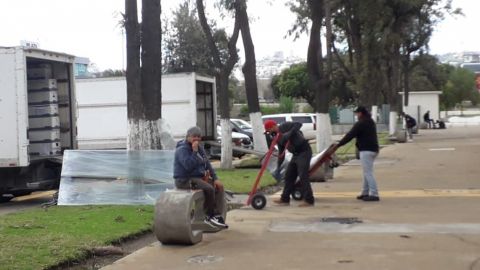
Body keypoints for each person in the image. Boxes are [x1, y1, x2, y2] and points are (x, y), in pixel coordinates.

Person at [173, 126, 228, 228]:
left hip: (198, 178)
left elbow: (208, 164)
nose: (197, 139)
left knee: (219, 187)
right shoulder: (182, 150)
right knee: (209, 189)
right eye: (194, 136)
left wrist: (215, 178)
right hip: (184, 180)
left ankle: (217, 214)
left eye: (199, 137)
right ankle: (209, 215)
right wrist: (194, 151)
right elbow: (188, 166)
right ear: (188, 137)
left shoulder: (200, 148)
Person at [264, 120, 315, 207]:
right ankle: (285, 199)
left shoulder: (285, 126)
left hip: (304, 152)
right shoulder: (278, 137)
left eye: (269, 130)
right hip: (295, 155)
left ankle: (309, 200)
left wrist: (288, 134)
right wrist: (278, 167)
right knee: (289, 176)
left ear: (273, 126)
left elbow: (299, 123)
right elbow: (281, 153)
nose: (269, 133)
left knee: (303, 175)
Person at [336, 106, 380, 201]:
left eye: (357, 113)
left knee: (368, 173)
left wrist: (339, 144)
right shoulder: (370, 121)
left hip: (366, 150)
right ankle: (365, 192)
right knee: (366, 172)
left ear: (361, 113)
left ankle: (374, 194)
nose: (356, 115)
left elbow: (350, 135)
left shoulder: (361, 123)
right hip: (373, 149)